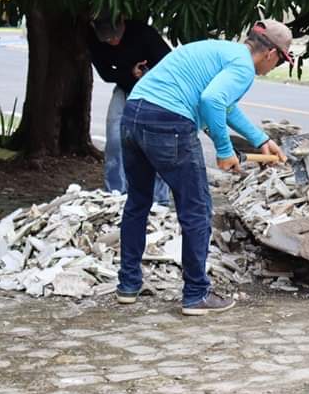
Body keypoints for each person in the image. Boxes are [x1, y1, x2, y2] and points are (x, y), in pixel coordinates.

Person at [116, 19, 292, 315]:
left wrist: (260, 139)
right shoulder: (243, 68)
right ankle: (196, 294)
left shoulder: (222, 51)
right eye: (280, 61)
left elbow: (225, 106)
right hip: (169, 123)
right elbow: (212, 100)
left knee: (138, 202)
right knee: (196, 209)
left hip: (134, 115)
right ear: (271, 54)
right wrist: (224, 151)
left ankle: (128, 285)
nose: (274, 68)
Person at [88, 15, 172, 205]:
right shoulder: (96, 40)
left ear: (122, 23)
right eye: (108, 39)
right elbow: (106, 73)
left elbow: (168, 64)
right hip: (125, 87)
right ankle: (115, 194)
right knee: (115, 138)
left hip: (155, 91)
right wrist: (129, 73)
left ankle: (160, 200)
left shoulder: (143, 33)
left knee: (156, 142)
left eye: (115, 36)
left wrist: (146, 73)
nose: (113, 41)